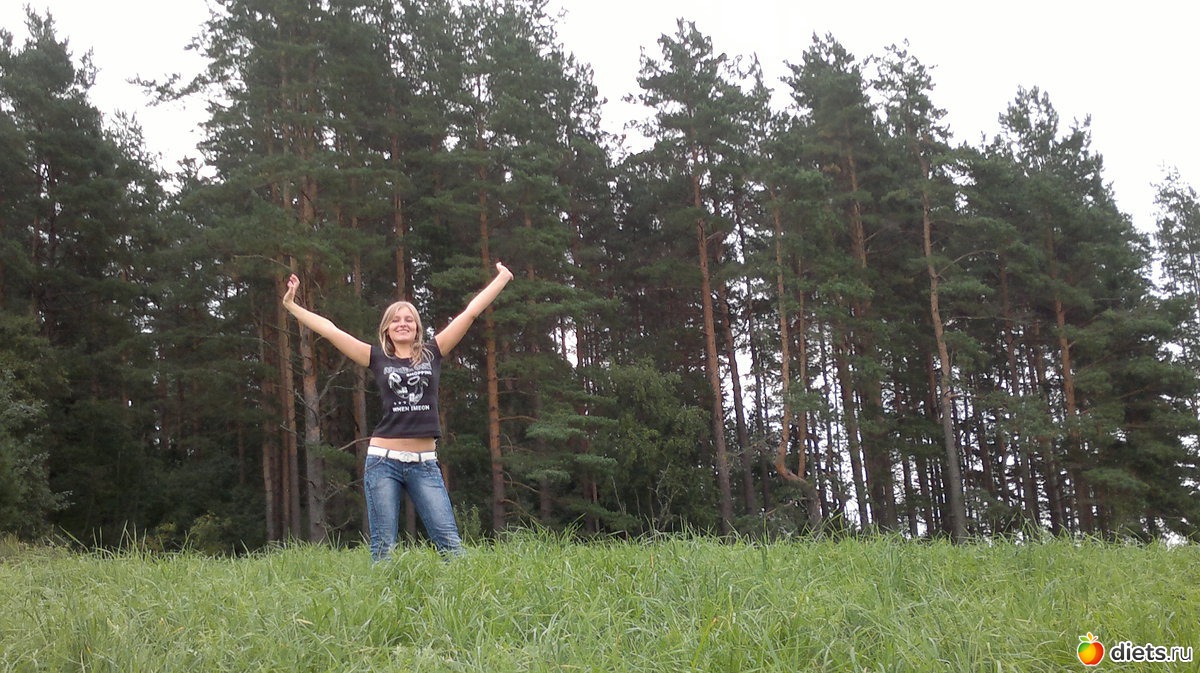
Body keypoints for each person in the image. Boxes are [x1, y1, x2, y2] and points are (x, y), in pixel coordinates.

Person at [281, 262, 514, 561]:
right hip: (383, 461)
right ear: (386, 329)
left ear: (417, 328)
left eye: (409, 319)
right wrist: (291, 305)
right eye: (395, 320)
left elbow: (470, 312)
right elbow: (330, 330)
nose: (402, 323)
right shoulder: (376, 358)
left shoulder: (433, 352)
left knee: (451, 547)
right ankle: (386, 593)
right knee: (383, 549)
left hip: (425, 464)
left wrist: (502, 278)